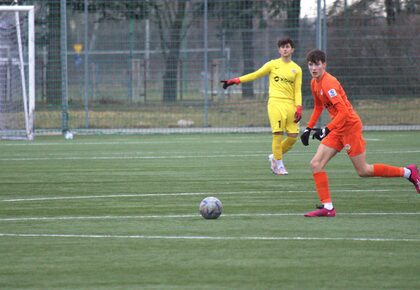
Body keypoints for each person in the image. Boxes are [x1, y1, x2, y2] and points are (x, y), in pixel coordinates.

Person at [300, 49, 420, 217]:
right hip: (337, 128)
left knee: (363, 170)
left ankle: (408, 172)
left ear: (324, 65)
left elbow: (344, 113)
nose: (313, 68)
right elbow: (319, 106)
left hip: (349, 127)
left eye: (317, 64)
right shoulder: (314, 83)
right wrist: (308, 128)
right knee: (316, 164)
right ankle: (328, 208)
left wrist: (326, 129)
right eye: (311, 65)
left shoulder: (329, 83)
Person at [221, 37, 302, 175]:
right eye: (282, 47)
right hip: (275, 103)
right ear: (279, 50)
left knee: (293, 137)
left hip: (290, 105)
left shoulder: (297, 69)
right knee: (277, 134)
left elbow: (297, 90)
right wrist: (236, 80)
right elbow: (255, 75)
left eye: (287, 46)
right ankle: (279, 165)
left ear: (292, 49)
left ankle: (274, 157)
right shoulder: (272, 64)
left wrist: (298, 107)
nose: (285, 49)